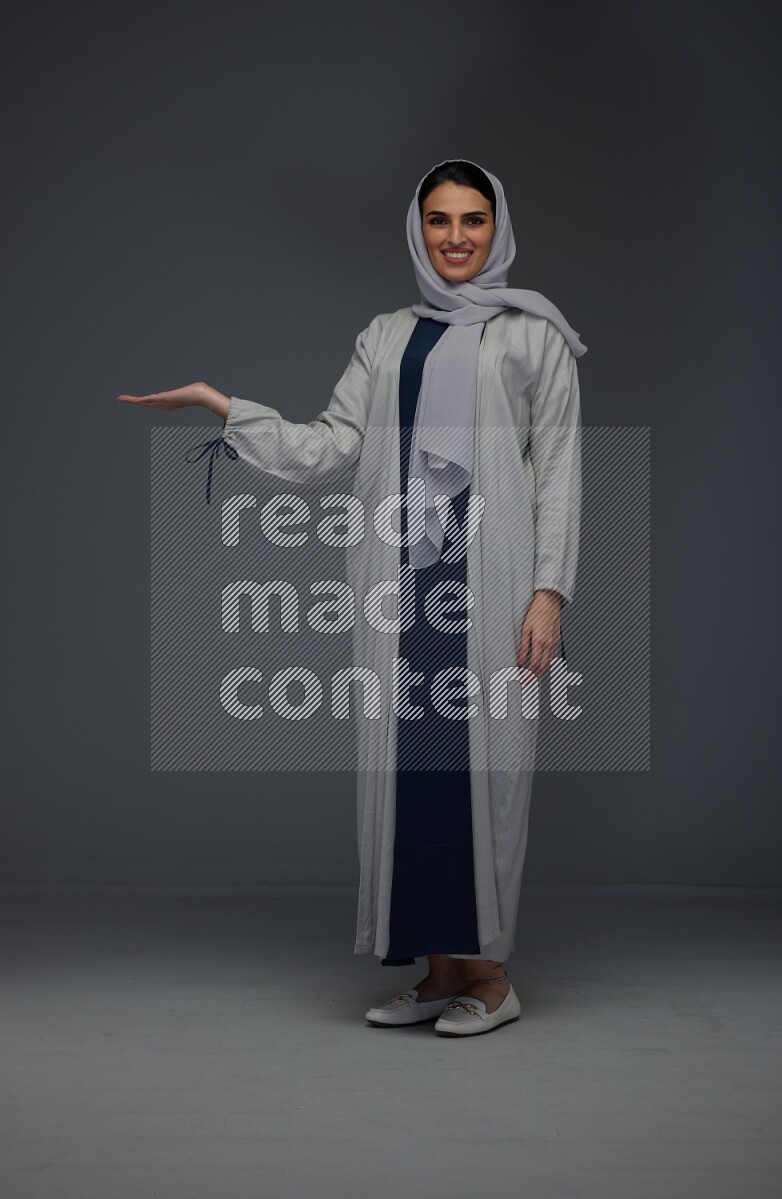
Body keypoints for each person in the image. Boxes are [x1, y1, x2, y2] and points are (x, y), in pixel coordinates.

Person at [119, 158, 585, 1038]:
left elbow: (559, 471)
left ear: (498, 228)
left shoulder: (533, 339)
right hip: (400, 586)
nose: (456, 237)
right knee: (410, 776)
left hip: (486, 584)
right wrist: (224, 406)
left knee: (484, 774)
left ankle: (492, 975)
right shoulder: (385, 337)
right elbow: (330, 446)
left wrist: (548, 592)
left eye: (473, 220)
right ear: (418, 230)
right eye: (440, 220)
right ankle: (441, 969)